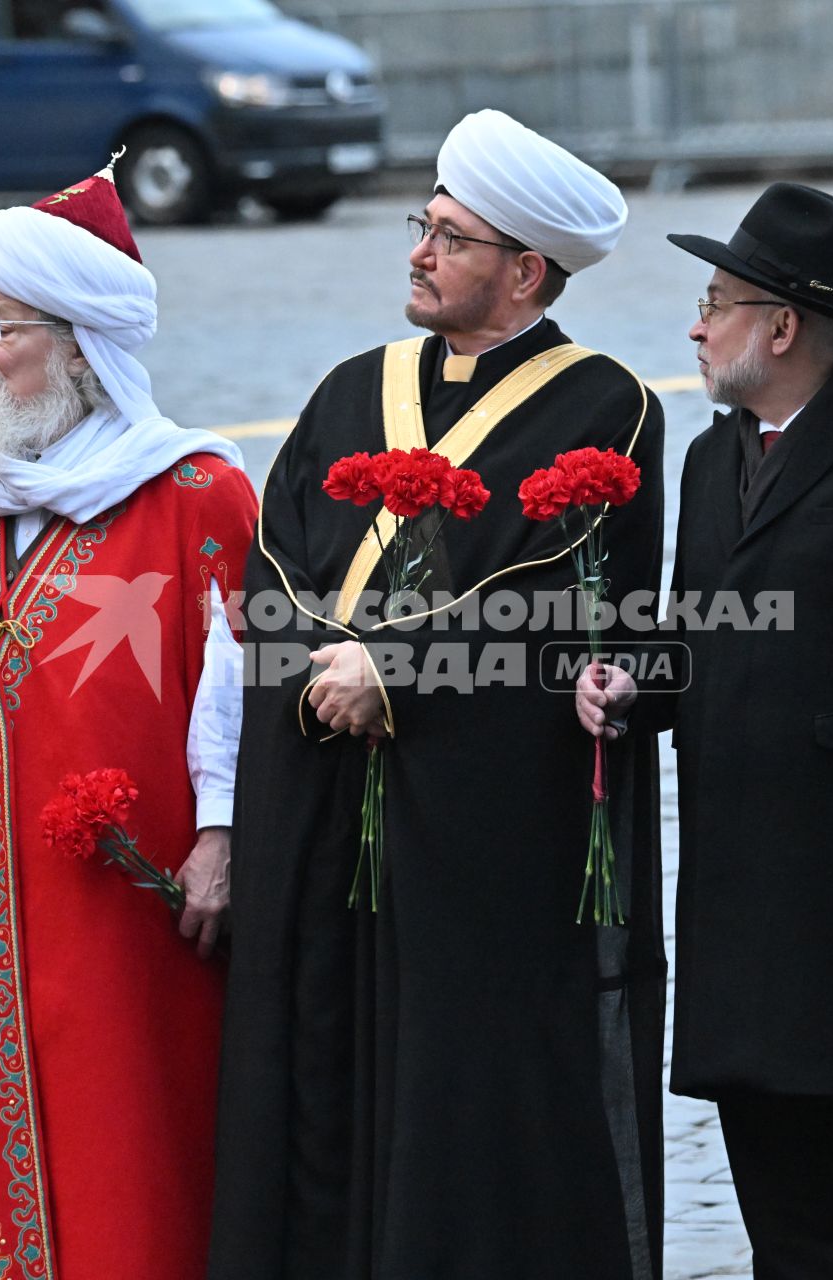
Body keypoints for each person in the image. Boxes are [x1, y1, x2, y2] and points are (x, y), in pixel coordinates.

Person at [209, 109, 666, 1280]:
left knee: (459, 1099)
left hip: (474, 834)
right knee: (319, 1064)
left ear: (525, 271)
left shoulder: (606, 408)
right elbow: (275, 566)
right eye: (425, 224)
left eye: (450, 237)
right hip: (326, 794)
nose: (417, 250)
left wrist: (402, 674)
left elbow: (575, 610)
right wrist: (332, 675)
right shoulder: (350, 389)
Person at [0, 161, 256, 1280]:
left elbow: (238, 689)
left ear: (80, 347)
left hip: (130, 902)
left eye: (0, 329)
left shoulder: (195, 492)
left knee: (133, 1139)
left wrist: (221, 836)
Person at [578, 182, 833, 1277]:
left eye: (717, 302)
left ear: (785, 325)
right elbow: (702, 628)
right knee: (774, 1172)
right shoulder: (713, 456)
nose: (698, 326)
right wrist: (630, 682)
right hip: (736, 871)